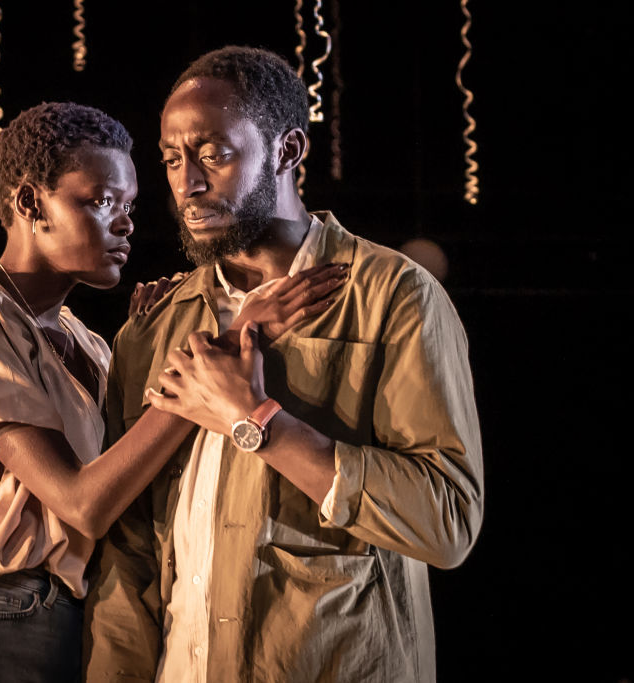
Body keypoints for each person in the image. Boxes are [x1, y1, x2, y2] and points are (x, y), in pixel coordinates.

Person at [0, 102, 344, 683]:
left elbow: (124, 482)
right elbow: (81, 502)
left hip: (70, 623)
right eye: (101, 202)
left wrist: (142, 347)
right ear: (31, 204)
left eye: (129, 206)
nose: (126, 223)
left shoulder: (95, 345)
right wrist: (225, 346)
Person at [84, 47, 485, 683]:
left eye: (214, 153)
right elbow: (129, 555)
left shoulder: (393, 296)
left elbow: (447, 520)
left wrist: (258, 420)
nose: (187, 182)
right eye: (171, 159)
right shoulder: (153, 326)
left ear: (288, 151)